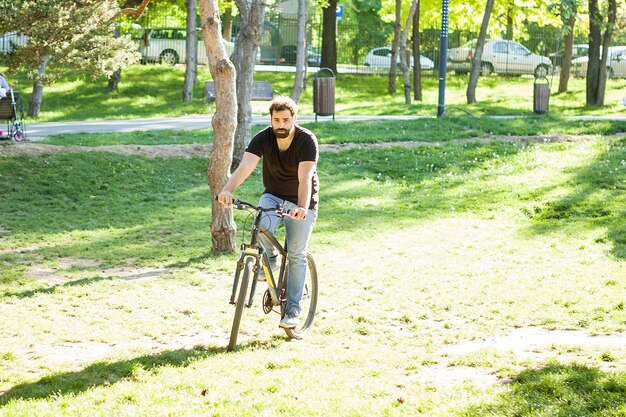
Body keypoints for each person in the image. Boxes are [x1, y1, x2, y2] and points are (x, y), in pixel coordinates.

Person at [218, 95, 319, 329]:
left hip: (301, 199)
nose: (281, 125)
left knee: (295, 253)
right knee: (259, 224)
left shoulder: (307, 141)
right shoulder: (263, 138)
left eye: (285, 120)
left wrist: (301, 207)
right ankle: (270, 260)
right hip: (273, 194)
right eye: (276, 120)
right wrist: (227, 189)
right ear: (271, 120)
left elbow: (304, 178)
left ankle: (293, 310)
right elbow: (246, 166)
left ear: (294, 118)